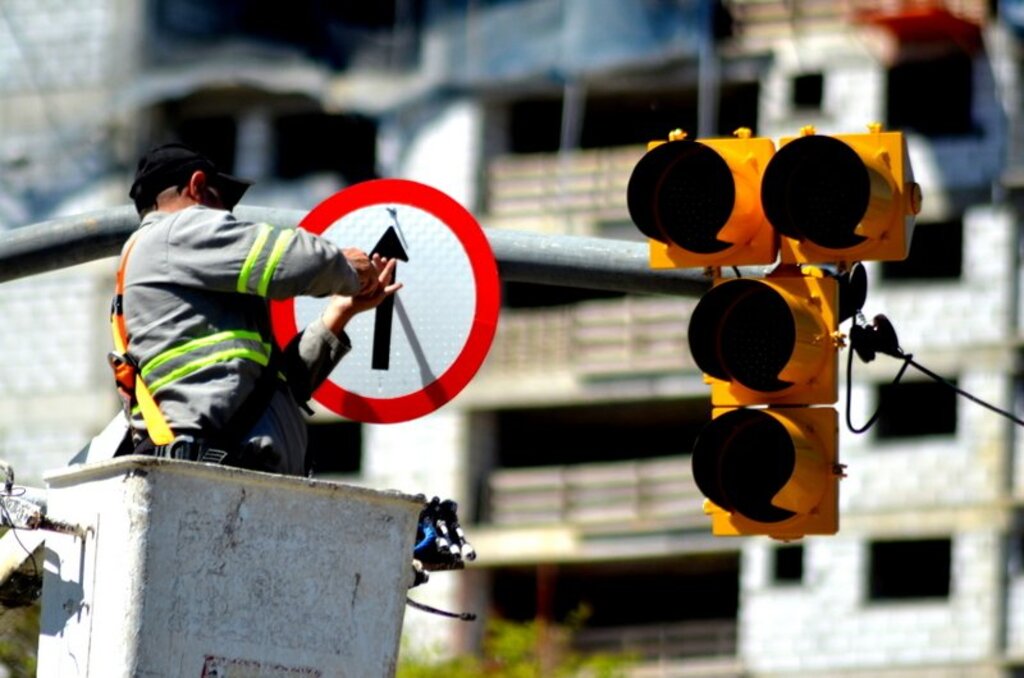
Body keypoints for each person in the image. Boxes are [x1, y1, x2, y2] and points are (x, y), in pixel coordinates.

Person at [112, 142, 399, 475]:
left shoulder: (175, 268)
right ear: (197, 186)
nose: (228, 218)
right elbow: (287, 259)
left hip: (227, 476)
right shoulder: (174, 233)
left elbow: (273, 387)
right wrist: (348, 269)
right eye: (224, 204)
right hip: (215, 478)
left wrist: (338, 314)